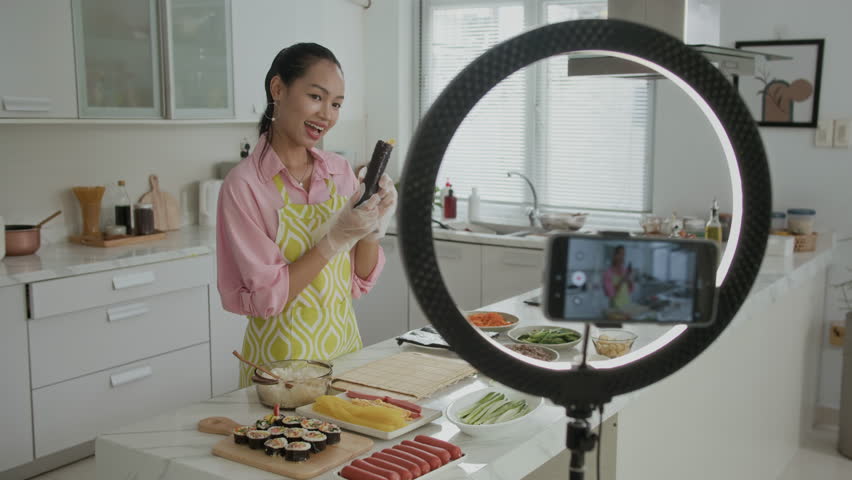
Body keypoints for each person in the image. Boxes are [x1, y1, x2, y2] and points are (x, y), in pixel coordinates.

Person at [217, 43, 397, 387]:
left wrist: (374, 226)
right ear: (278, 89)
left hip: (344, 355)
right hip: (279, 368)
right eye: (316, 97)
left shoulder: (339, 172)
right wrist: (335, 239)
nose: (327, 115)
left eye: (336, 104)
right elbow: (271, 298)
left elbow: (357, 279)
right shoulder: (245, 185)